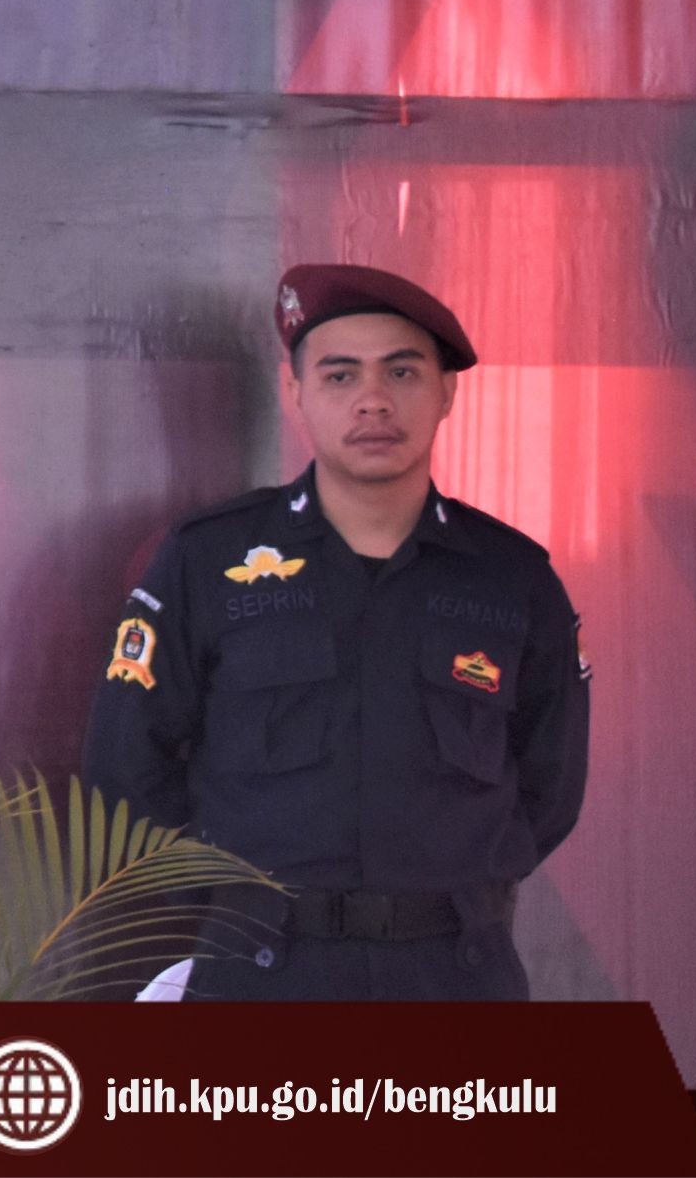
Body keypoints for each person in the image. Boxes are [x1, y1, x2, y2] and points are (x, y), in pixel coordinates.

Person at [80, 262, 587, 1001]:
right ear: (296, 395)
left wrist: (461, 887)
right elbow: (126, 763)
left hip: (453, 974)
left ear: (446, 393)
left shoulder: (512, 577)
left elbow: (550, 785)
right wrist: (226, 900)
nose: (373, 400)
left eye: (402, 372)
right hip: (260, 973)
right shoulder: (207, 559)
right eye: (340, 375)